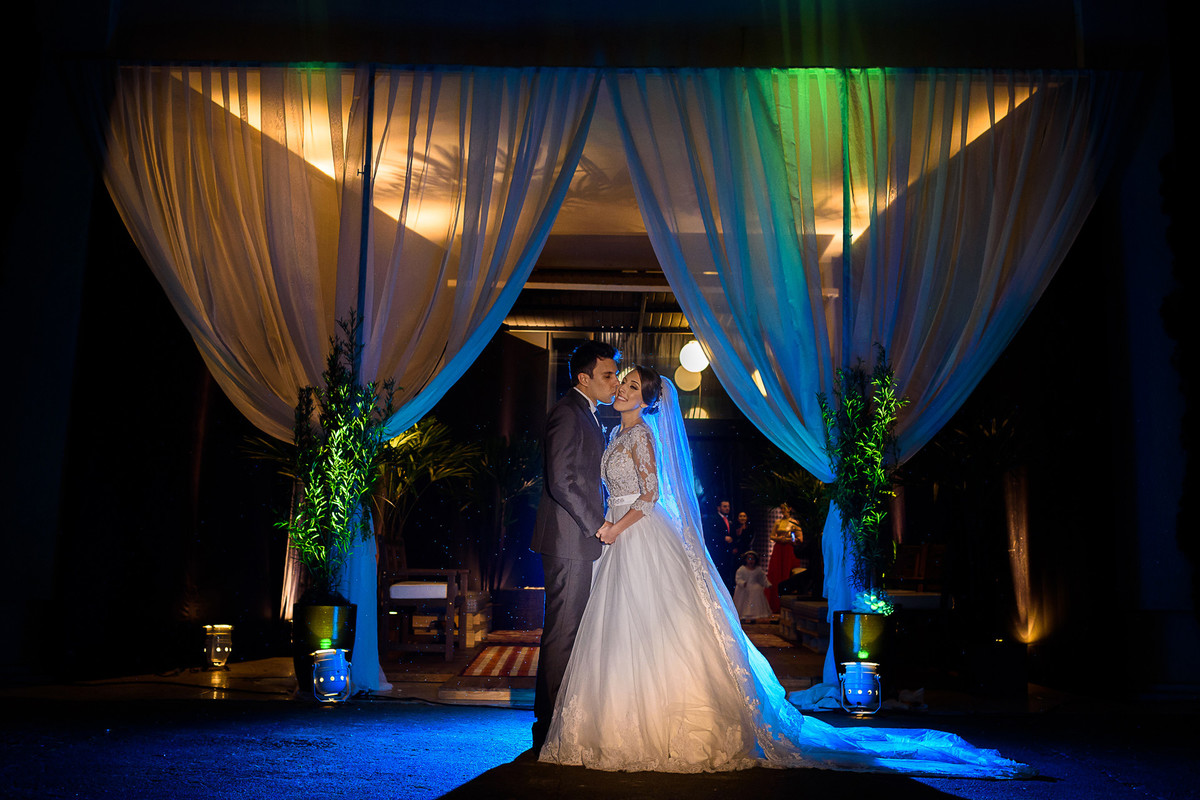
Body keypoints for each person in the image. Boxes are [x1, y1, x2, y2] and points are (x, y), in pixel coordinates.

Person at [539, 366, 1029, 777]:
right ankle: (617, 717)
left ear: (646, 401)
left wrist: (613, 528)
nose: (621, 388)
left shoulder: (642, 435)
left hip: (634, 532)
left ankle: (668, 721)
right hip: (619, 537)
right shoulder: (614, 432)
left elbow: (649, 496)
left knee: (656, 624)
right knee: (624, 630)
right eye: (619, 382)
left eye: (629, 386)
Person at [528, 340, 619, 752]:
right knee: (563, 631)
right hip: (569, 538)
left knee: (570, 630)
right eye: (608, 375)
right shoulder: (566, 414)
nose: (615, 382)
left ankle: (557, 719)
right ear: (584, 378)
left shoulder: (588, 413)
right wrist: (597, 523)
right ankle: (549, 727)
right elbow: (561, 479)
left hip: (577, 538)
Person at [765, 503, 804, 613]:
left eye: (785, 508)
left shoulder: (795, 523)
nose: (783, 510)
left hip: (789, 550)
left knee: (787, 573)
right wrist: (779, 539)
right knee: (776, 574)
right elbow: (772, 536)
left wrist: (791, 540)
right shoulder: (778, 522)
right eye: (781, 508)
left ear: (790, 508)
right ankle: (775, 604)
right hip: (779, 550)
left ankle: (787, 604)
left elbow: (800, 538)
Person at [733, 551, 771, 622]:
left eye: (753, 559)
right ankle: (744, 615)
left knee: (756, 594)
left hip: (755, 587)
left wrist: (767, 584)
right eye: (749, 559)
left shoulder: (758, 570)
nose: (751, 561)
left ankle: (754, 615)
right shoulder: (742, 569)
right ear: (746, 560)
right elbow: (738, 579)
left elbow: (762, 579)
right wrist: (742, 583)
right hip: (744, 588)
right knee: (744, 601)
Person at [706, 499, 735, 591]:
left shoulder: (729, 519)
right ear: (719, 508)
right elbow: (709, 533)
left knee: (726, 573)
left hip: (727, 552)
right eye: (724, 506)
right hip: (717, 550)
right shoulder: (713, 518)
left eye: (728, 506)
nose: (727, 508)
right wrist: (723, 538)